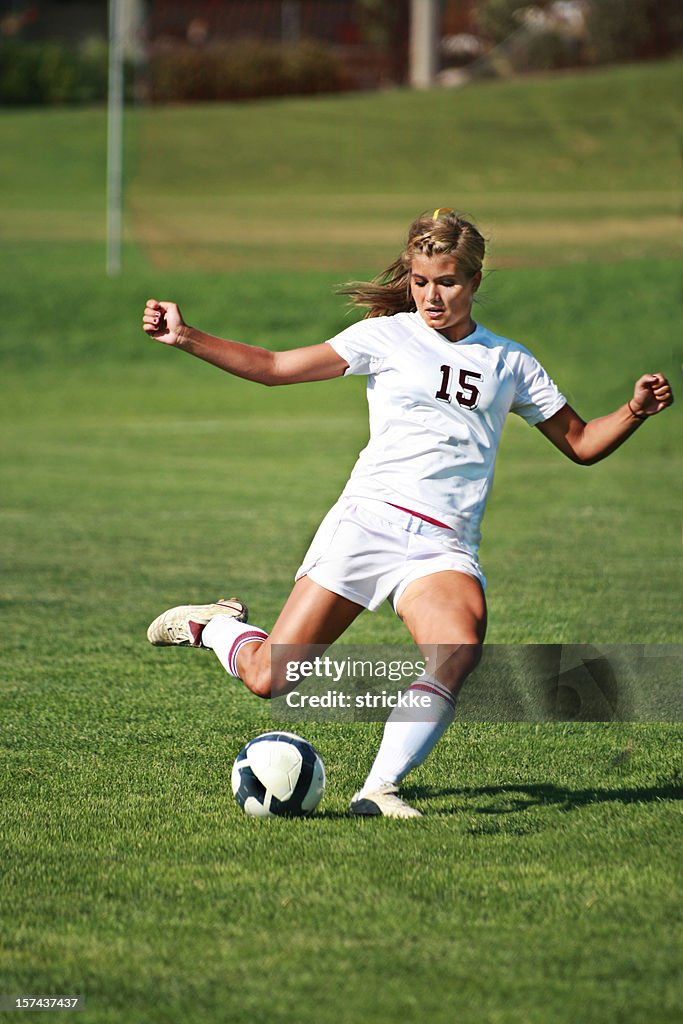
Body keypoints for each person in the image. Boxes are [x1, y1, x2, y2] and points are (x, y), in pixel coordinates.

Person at [142, 208, 673, 818]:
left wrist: (633, 412)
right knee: (271, 678)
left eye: (445, 281)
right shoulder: (386, 337)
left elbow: (579, 443)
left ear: (474, 280)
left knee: (458, 649)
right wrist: (186, 336)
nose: (431, 295)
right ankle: (215, 626)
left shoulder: (510, 363)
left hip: (442, 547)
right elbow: (273, 368)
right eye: (420, 281)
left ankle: (377, 790)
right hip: (366, 524)